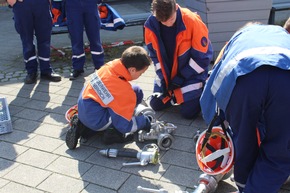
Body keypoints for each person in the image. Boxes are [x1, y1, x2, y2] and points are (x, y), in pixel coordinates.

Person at [200, 22, 290, 193]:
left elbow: (214, 81)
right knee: (279, 150)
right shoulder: (283, 36)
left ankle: (243, 184)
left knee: (243, 139)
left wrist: (216, 122)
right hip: (286, 79)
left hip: (242, 79)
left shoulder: (237, 39)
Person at [65, 46, 152, 149]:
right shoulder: (123, 91)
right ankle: (111, 134)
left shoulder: (110, 67)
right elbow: (125, 126)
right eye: (141, 73)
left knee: (136, 90)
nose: (141, 75)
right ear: (132, 70)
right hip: (96, 120)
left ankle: (83, 125)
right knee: (121, 124)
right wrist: (145, 121)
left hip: (84, 107)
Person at [144, 0, 213, 119]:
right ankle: (174, 95)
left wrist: (181, 77)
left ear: (176, 7)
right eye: (162, 21)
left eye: (170, 20)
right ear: (155, 13)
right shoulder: (151, 24)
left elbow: (202, 58)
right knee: (155, 105)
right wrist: (163, 77)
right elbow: (154, 57)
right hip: (168, 74)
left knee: (188, 113)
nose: (167, 24)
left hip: (191, 74)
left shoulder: (192, 22)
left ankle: (205, 86)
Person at [6, 0, 61, 84]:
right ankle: (31, 72)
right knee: (27, 42)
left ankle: (46, 70)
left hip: (41, 4)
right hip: (22, 5)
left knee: (45, 40)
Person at [65, 0, 104, 80]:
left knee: (95, 38)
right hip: (73, 5)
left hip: (90, 4)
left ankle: (99, 66)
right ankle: (77, 68)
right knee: (76, 39)